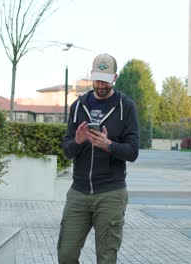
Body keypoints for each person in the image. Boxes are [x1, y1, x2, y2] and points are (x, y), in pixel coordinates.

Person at [58, 54, 139, 264]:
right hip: (79, 192)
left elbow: (133, 152)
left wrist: (108, 145)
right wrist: (77, 141)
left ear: (115, 77)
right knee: (66, 255)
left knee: (106, 258)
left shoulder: (126, 107)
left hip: (111, 193)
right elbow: (67, 150)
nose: (100, 84)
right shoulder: (78, 106)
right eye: (96, 78)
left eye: (105, 79)